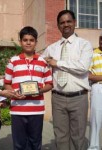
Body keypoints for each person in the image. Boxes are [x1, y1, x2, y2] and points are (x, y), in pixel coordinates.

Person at [42, 10, 93, 150]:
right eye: (62, 22)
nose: (66, 25)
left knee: (78, 137)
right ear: (58, 26)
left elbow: (83, 67)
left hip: (78, 97)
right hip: (57, 98)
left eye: (68, 21)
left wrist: (57, 63)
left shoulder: (84, 45)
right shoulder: (51, 48)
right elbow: (39, 65)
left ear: (75, 22)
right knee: (60, 137)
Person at [4, 26, 53, 150]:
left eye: (31, 40)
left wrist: (39, 90)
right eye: (25, 40)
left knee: (35, 143)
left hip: (36, 110)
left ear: (36, 42)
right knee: (19, 144)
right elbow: (7, 83)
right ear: (20, 41)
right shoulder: (13, 61)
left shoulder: (42, 61)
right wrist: (14, 93)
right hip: (17, 109)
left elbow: (49, 83)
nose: (28, 42)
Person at [88, 34, 102, 150]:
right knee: (96, 119)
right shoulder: (92, 54)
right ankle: (94, 146)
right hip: (98, 88)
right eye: (101, 39)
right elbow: (88, 75)